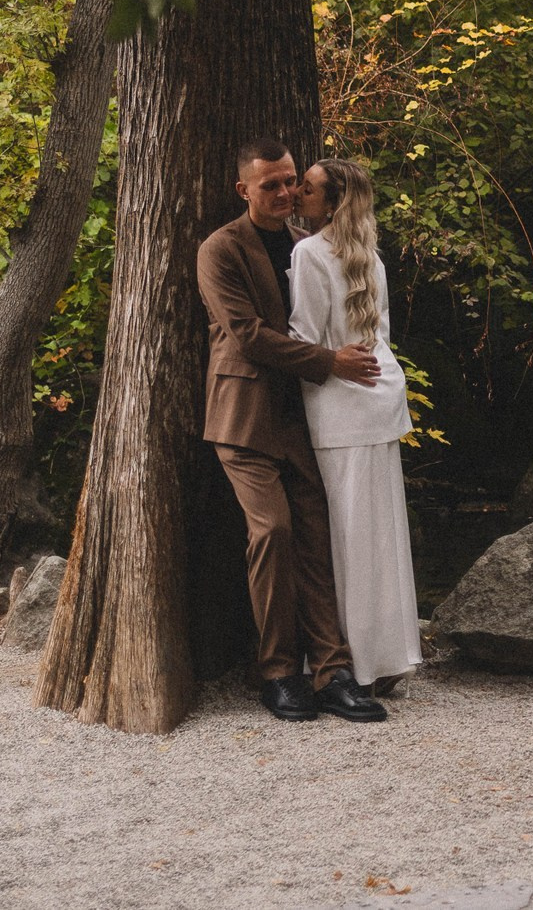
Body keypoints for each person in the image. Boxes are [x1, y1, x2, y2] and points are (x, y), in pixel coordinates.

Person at [193, 138, 387, 724]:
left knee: (315, 535)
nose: (283, 193)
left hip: (306, 416)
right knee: (273, 533)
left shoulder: (310, 247)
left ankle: (332, 672)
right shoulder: (220, 249)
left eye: (289, 182)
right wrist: (330, 362)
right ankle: (277, 670)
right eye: (270, 184)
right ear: (243, 190)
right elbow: (247, 334)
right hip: (243, 416)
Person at [292, 157, 424, 693]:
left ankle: (354, 665)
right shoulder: (369, 257)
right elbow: (379, 334)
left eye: (308, 188)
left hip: (340, 409)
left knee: (345, 540)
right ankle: (387, 659)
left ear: (333, 202)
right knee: (382, 537)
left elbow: (304, 336)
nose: (299, 194)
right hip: (378, 400)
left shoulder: (308, 253)